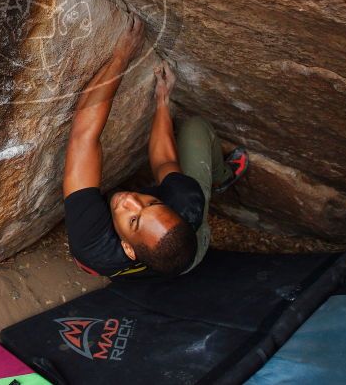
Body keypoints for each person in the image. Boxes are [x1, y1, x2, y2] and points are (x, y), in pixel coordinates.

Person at [62, 15, 248, 279]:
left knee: (91, 258)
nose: (131, 200)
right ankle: (220, 177)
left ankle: (219, 179)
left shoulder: (92, 242)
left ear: (127, 247)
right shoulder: (187, 203)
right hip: (183, 247)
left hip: (171, 258)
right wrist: (162, 101)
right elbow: (164, 162)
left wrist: (121, 58)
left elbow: (82, 136)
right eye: (151, 202)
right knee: (195, 127)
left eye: (134, 220)